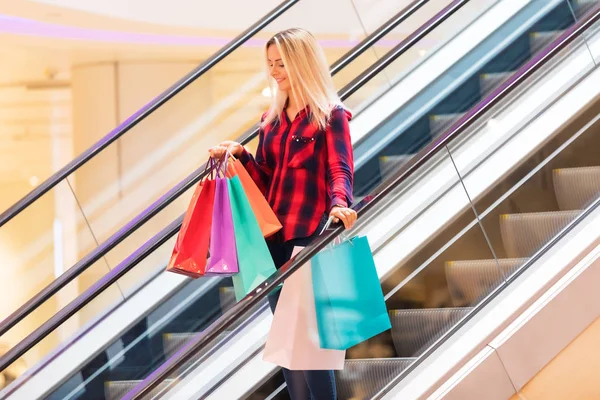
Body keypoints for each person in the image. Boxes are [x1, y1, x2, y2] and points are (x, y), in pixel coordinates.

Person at [209, 27, 356, 400]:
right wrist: (242, 157)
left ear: (301, 63)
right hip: (272, 241)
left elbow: (339, 168)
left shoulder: (330, 115)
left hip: (307, 238)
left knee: (311, 343)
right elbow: (265, 180)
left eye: (281, 64)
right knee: (289, 345)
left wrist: (341, 202)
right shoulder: (270, 121)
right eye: (270, 64)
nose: (274, 71)